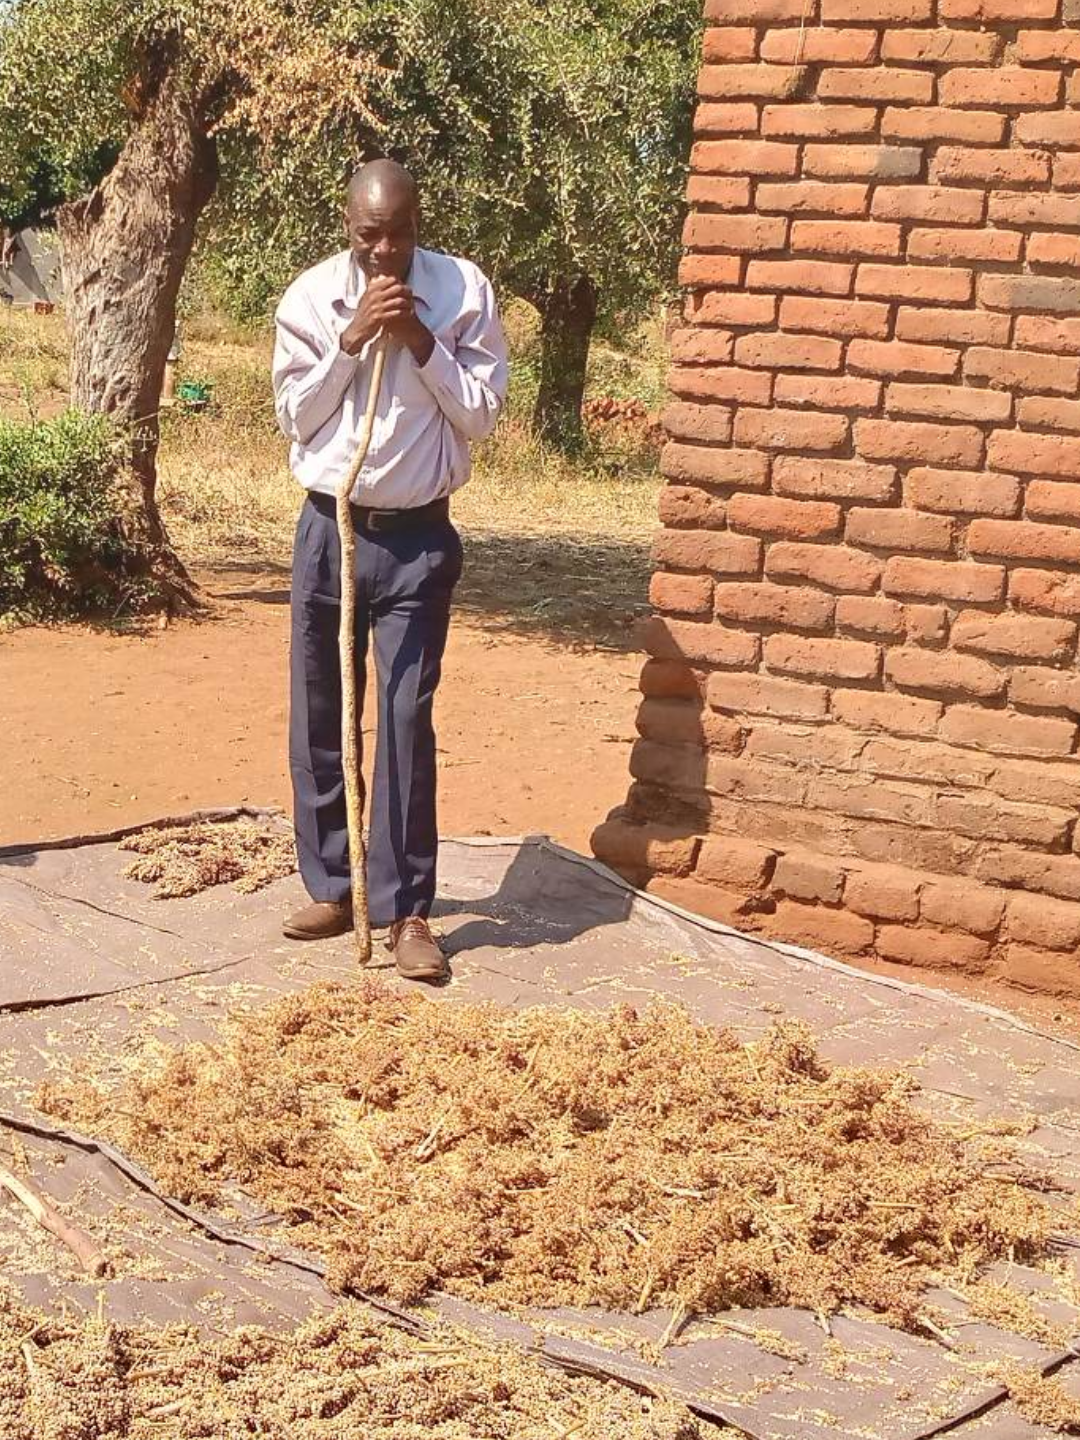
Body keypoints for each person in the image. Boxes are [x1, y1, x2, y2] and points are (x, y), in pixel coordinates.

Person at [272, 159, 508, 981]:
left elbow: (481, 415)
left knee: (406, 721)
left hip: (417, 538)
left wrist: (419, 340)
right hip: (329, 530)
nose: (384, 254)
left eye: (398, 236)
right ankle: (336, 887)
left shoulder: (462, 290)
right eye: (369, 236)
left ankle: (408, 909)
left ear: (418, 224)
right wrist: (350, 343)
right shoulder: (310, 299)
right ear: (348, 225)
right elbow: (296, 420)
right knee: (321, 711)